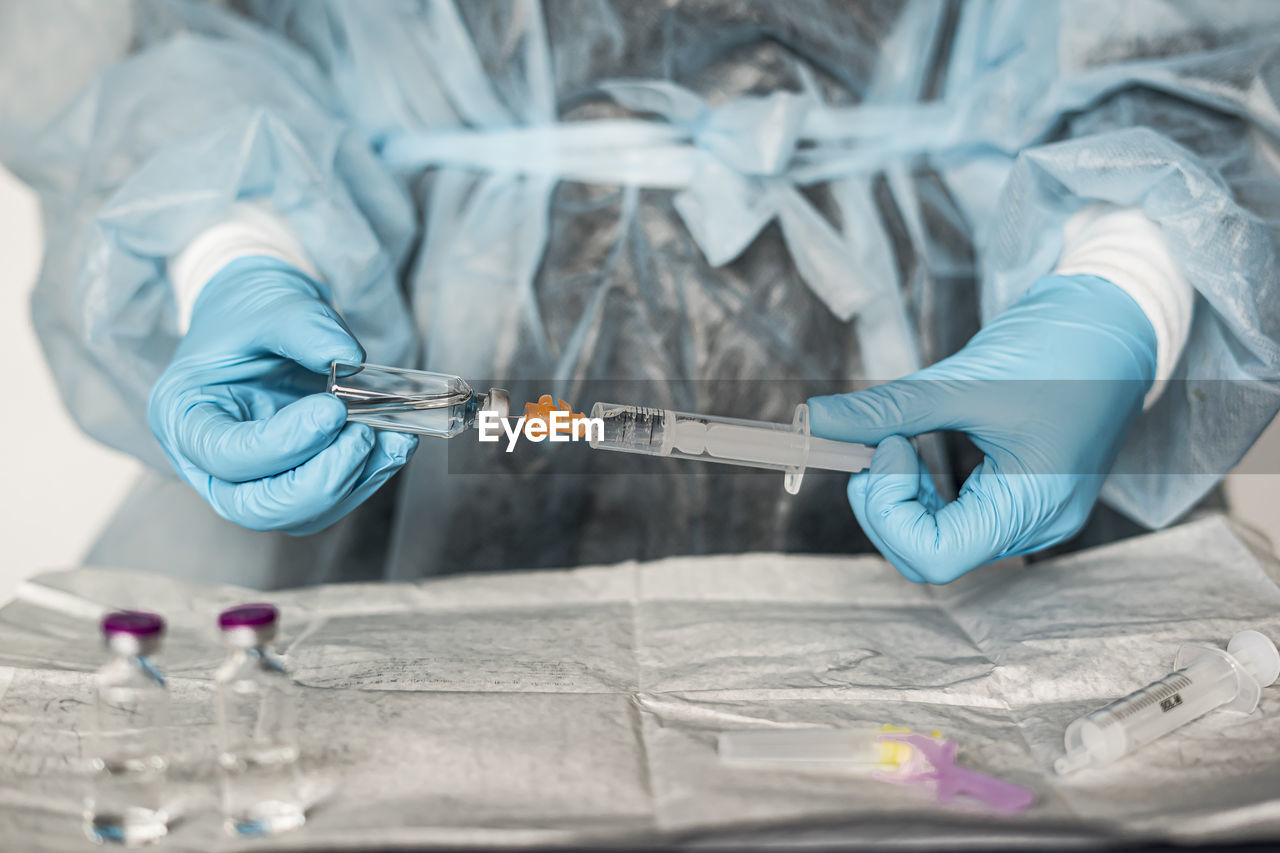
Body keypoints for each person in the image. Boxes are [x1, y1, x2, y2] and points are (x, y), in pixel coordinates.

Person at [1, 0, 1277, 588]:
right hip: (378, 535)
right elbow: (212, 50)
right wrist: (238, 250)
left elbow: (1186, 57)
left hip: (961, 423)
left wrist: (1125, 289)